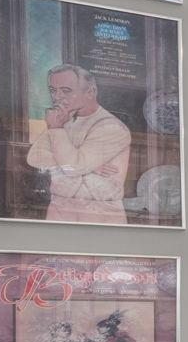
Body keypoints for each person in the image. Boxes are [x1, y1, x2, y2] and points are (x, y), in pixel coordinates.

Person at [25, 63, 130, 224]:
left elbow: (74, 168)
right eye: (53, 90)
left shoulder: (111, 127)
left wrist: (58, 132)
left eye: (66, 90)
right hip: (59, 210)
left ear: (91, 92)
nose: (57, 97)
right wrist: (89, 166)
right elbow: (34, 158)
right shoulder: (62, 119)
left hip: (98, 215)